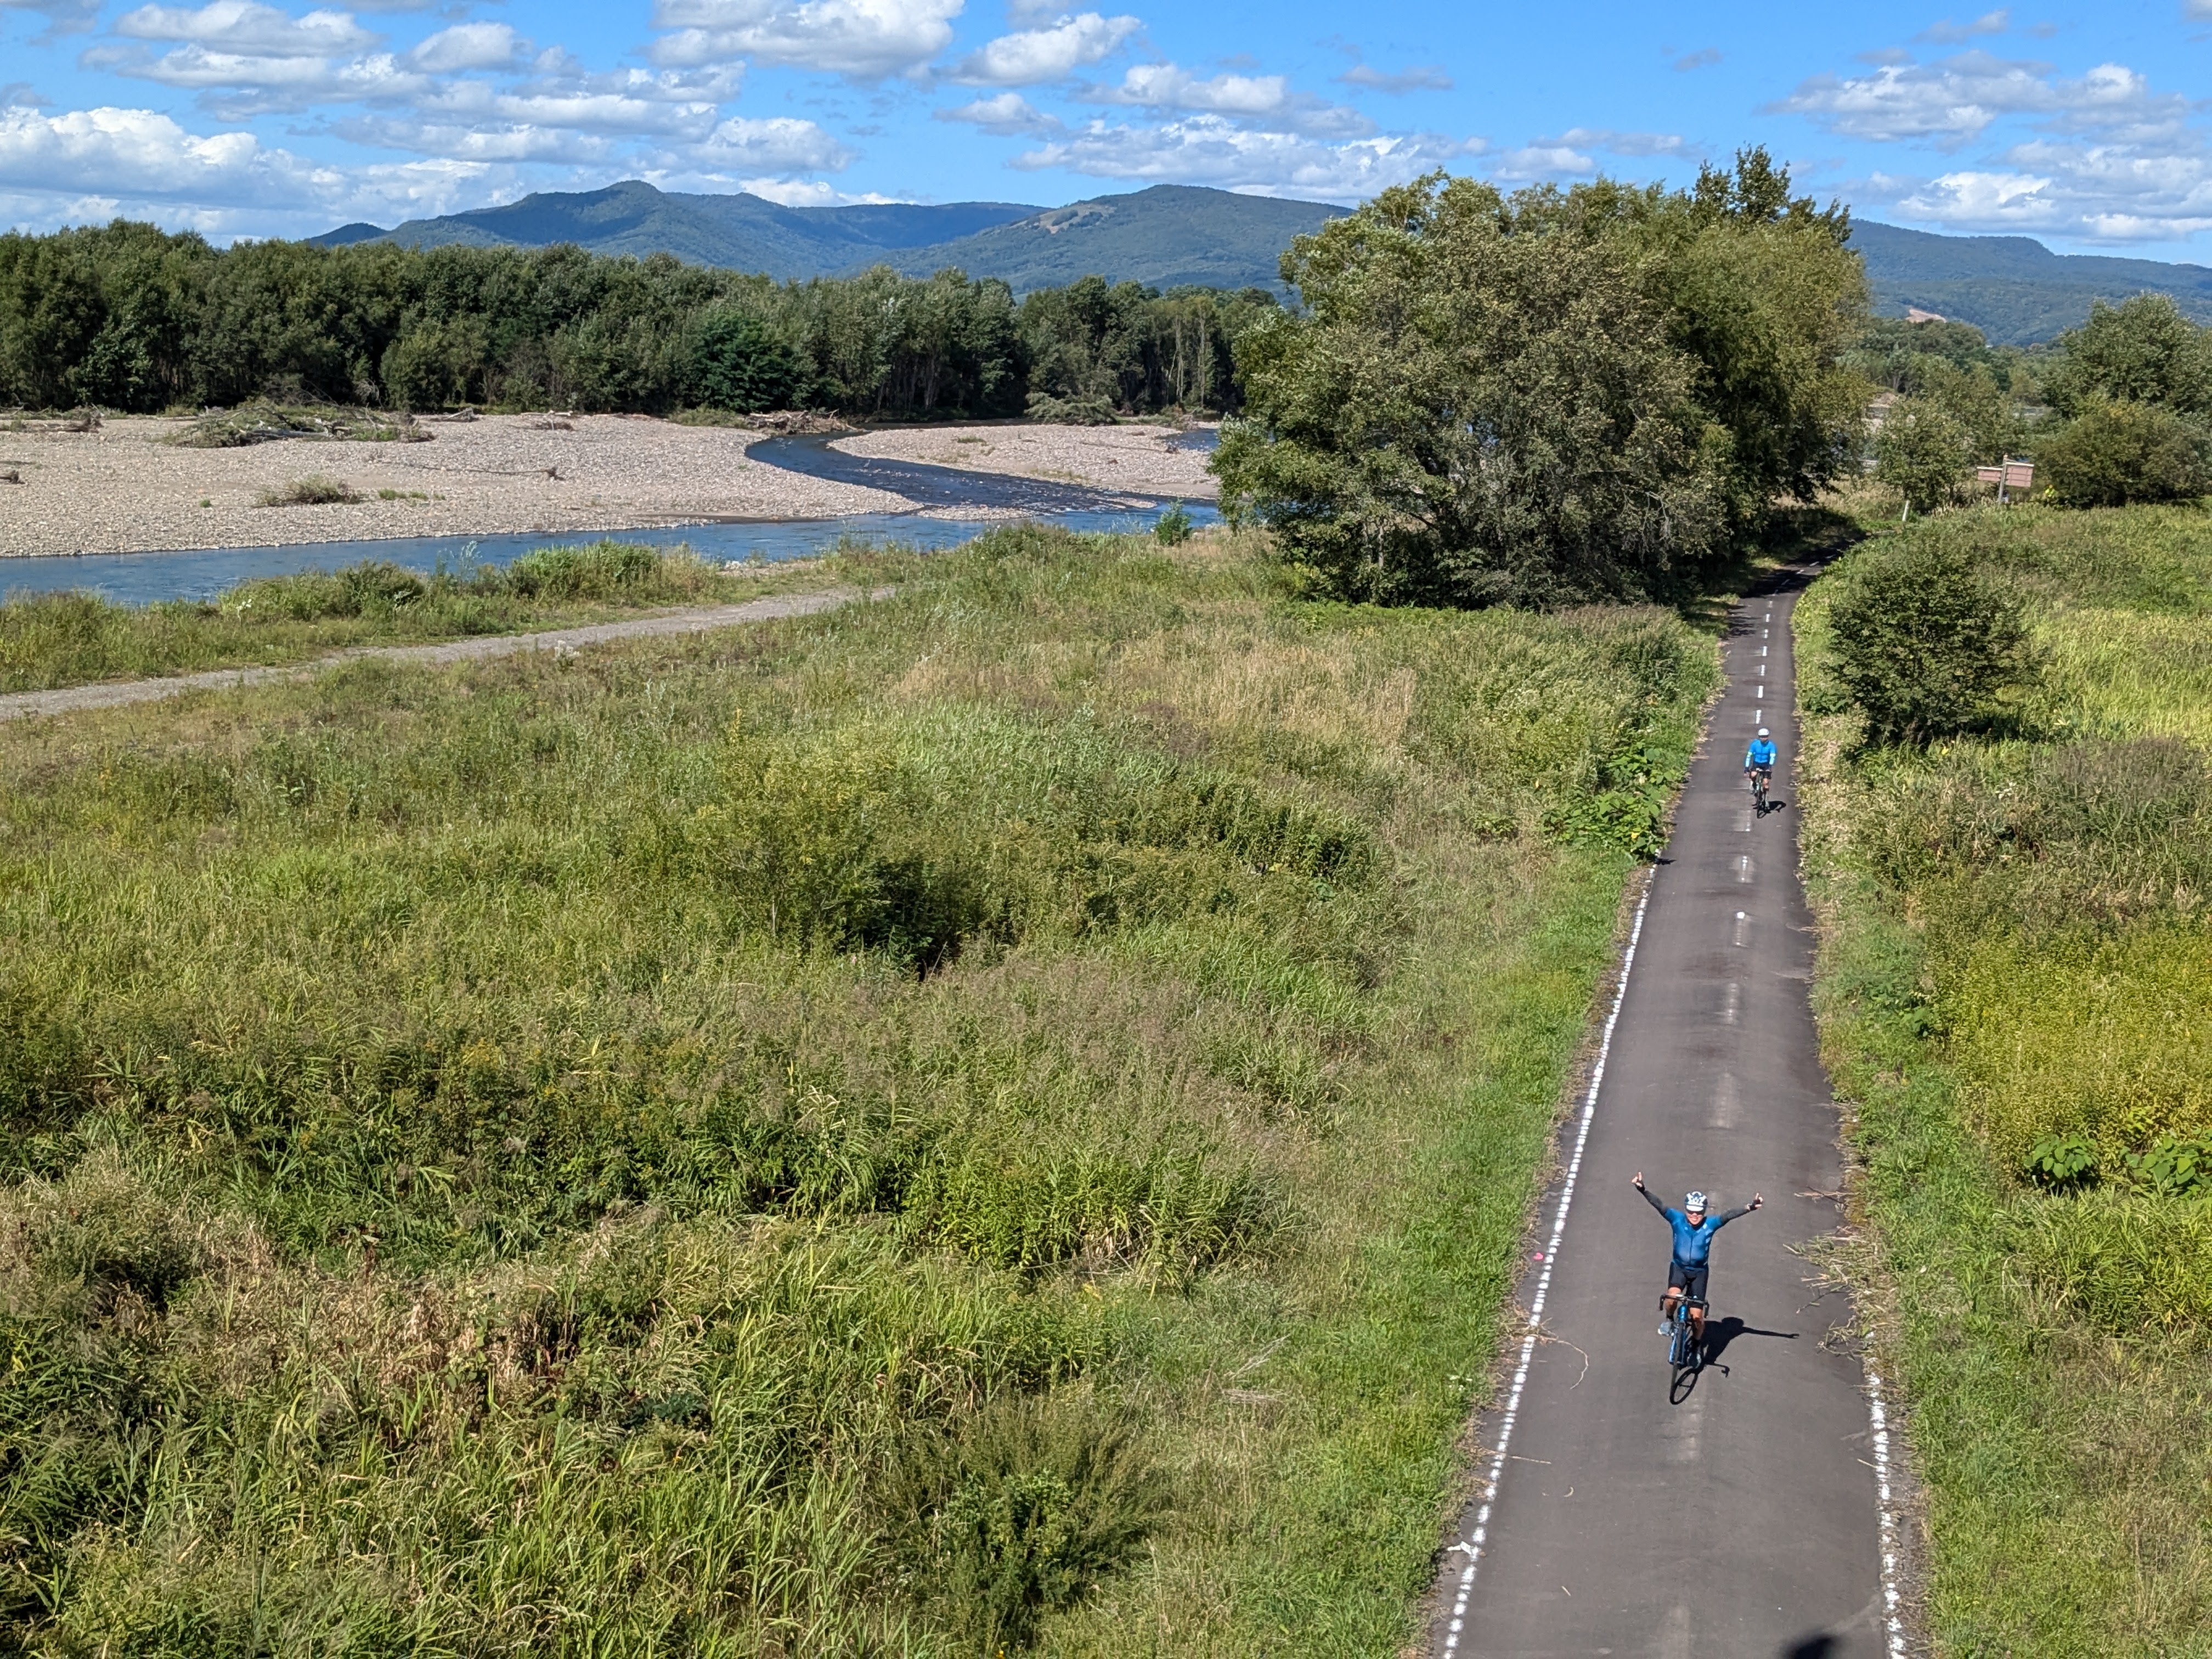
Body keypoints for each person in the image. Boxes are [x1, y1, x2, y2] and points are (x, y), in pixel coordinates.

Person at [1634, 1173, 1762, 1341]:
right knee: (1671, 1297)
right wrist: (1643, 1190)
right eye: (1691, 1212)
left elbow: (1729, 1215)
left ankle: (1695, 1345)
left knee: (1697, 1319)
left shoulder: (1711, 1224)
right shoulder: (1676, 1219)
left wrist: (1750, 1207)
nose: (1695, 1215)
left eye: (1699, 1212)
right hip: (1679, 1268)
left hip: (1699, 1273)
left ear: (1704, 1211)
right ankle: (1669, 1319)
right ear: (1686, 1210)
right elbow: (1659, 1205)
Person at [1744, 727, 1777, 793]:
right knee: (1753, 775)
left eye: (1765, 737)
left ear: (1768, 736)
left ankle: (1765, 797)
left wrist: (1770, 766)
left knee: (1766, 784)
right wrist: (1747, 767)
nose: (1763, 738)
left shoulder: (1771, 745)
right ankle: (1754, 784)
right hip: (1757, 763)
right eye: (1762, 737)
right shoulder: (1755, 744)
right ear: (1759, 737)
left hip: (1766, 764)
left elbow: (1772, 756)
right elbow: (1749, 756)